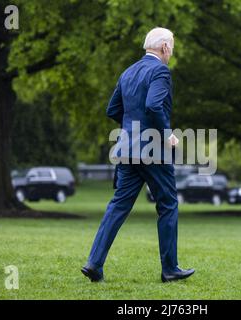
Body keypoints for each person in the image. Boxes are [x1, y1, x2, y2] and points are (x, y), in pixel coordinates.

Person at [81, 27, 195, 283]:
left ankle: (94, 264)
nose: (171, 52)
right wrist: (167, 136)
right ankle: (170, 269)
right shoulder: (160, 71)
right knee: (168, 205)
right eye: (172, 48)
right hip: (154, 149)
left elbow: (113, 109)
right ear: (165, 47)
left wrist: (133, 130)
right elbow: (154, 106)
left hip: (126, 149)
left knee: (118, 205)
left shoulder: (128, 72)